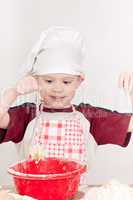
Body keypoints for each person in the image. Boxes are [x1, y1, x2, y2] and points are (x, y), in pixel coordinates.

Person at [0, 26, 133, 179]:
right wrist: (13, 92)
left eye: (66, 82)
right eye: (49, 81)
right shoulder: (26, 115)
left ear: (79, 81)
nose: (57, 89)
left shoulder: (91, 117)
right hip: (33, 194)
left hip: (75, 194)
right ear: (36, 80)